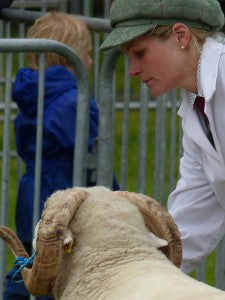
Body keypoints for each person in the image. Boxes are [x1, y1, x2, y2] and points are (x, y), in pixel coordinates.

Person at [100, 0, 225, 275]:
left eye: (140, 53)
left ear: (181, 36)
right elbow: (189, 225)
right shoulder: (197, 110)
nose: (132, 70)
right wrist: (129, 274)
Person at [4, 11, 119, 300]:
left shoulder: (32, 93)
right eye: (86, 55)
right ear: (70, 59)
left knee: (35, 259)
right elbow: (91, 151)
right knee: (57, 271)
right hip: (64, 196)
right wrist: (114, 195)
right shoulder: (72, 100)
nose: (90, 63)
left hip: (32, 191)